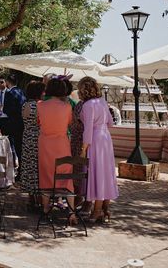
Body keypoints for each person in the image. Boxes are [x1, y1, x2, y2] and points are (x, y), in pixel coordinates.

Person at [78, 76, 119, 223]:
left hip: (94, 140)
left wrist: (84, 148)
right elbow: (110, 123)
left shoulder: (87, 105)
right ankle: (106, 209)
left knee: (97, 174)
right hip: (106, 139)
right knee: (106, 173)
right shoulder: (102, 101)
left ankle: (96, 211)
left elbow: (88, 129)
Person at [37, 77, 76, 224]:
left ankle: (46, 209)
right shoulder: (67, 106)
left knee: (46, 176)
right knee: (67, 177)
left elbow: (38, 122)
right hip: (62, 144)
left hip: (45, 144)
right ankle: (72, 212)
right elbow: (69, 124)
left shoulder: (40, 105)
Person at [19, 80, 44, 205]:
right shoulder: (39, 105)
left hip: (27, 137)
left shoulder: (25, 105)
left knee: (29, 166)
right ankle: (39, 197)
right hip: (37, 138)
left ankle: (30, 197)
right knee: (37, 167)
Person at [3, 73, 26, 170]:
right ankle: (22, 167)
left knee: (14, 147)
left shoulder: (9, 93)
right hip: (22, 123)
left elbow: (6, 109)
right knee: (21, 147)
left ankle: (15, 169)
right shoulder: (22, 91)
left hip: (12, 123)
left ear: (7, 82)